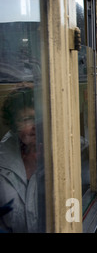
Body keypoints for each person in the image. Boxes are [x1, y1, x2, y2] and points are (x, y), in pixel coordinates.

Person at [0, 85, 39, 232]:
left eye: (40, 117)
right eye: (27, 119)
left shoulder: (73, 151)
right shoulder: (2, 160)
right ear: (14, 125)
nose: (35, 126)